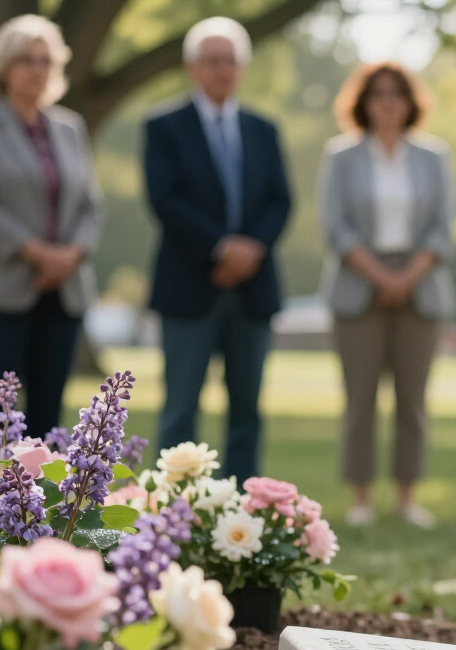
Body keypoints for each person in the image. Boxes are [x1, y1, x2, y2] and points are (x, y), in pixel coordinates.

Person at [143, 17, 292, 484]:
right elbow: (165, 200)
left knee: (247, 406)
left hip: (253, 288)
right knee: (181, 406)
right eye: (212, 60)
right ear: (192, 66)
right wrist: (219, 249)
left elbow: (280, 199)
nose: (222, 70)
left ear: (242, 68)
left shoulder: (263, 129)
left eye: (230, 61)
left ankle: (244, 503)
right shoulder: (164, 126)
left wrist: (249, 251)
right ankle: (170, 507)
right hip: (189, 284)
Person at [0, 14, 102, 438]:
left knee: (48, 419)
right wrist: (39, 254)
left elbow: (92, 207)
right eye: (26, 59)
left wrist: (69, 256)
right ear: (2, 66)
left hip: (63, 291)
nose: (37, 69)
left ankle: (41, 504)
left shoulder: (70, 128)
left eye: (45, 60)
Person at [318, 62, 456, 528]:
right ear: (363, 102)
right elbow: (335, 226)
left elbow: (443, 227)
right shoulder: (341, 156)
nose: (387, 102)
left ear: (410, 101)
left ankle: (405, 497)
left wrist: (407, 276)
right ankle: (360, 498)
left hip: (421, 288)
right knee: (359, 399)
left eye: (396, 93)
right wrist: (380, 276)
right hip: (359, 286)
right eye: (378, 94)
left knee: (412, 400)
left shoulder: (433, 157)